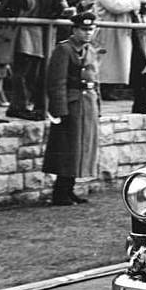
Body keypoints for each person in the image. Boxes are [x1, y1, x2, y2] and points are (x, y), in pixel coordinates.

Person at [42, 11, 100, 206]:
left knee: (81, 149)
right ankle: (60, 192)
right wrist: (59, 110)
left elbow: (95, 79)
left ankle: (70, 188)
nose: (87, 33)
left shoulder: (90, 50)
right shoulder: (64, 50)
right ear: (74, 30)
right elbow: (56, 82)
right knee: (67, 149)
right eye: (83, 29)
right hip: (72, 104)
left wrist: (97, 105)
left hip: (88, 103)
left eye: (90, 29)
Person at [92, 0, 146, 107]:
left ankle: (143, 103)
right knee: (106, 72)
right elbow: (116, 6)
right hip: (113, 33)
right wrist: (138, 0)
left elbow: (133, 4)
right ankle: (100, 104)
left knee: (145, 66)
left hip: (132, 31)